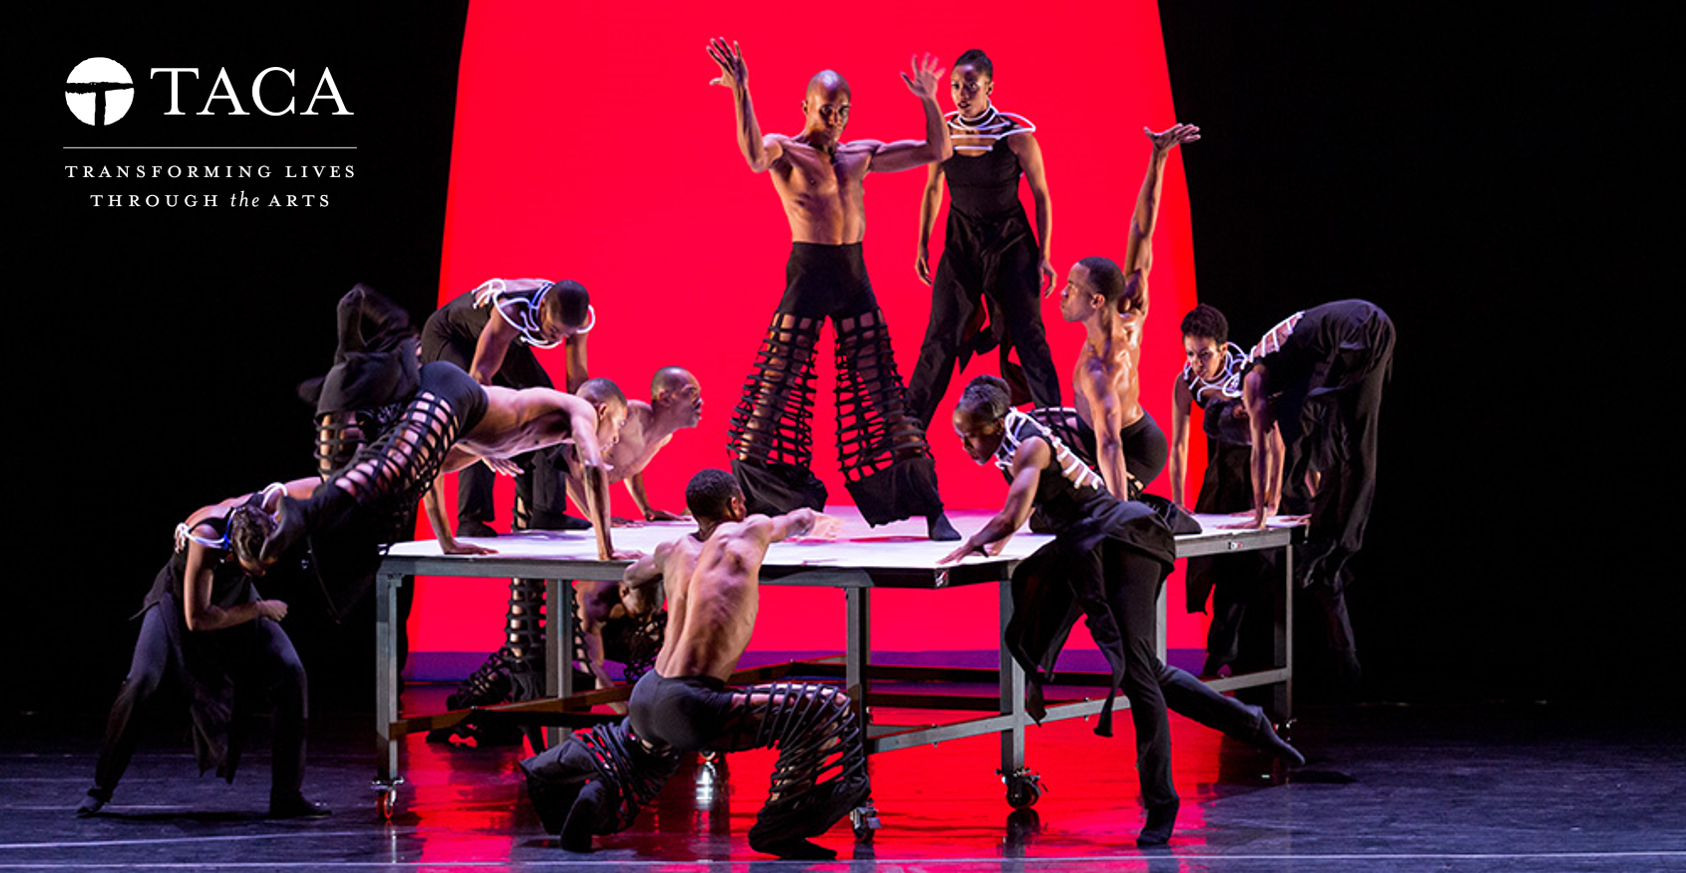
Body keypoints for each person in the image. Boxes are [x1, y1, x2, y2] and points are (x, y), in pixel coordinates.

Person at [940, 375, 1301, 846]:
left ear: (994, 423)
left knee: (1135, 673)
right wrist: (993, 547)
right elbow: (1020, 515)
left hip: (1125, 538)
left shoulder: (1030, 446)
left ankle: (1161, 802)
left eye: (970, 435)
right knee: (1145, 667)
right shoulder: (1011, 443)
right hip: (1091, 543)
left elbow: (1011, 516)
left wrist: (972, 543)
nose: (965, 446)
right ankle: (1250, 723)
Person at [520, 469, 870, 860]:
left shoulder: (672, 550)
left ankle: (593, 797)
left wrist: (648, 581)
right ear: (736, 504)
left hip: (648, 694)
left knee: (645, 758)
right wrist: (819, 520)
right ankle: (780, 827)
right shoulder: (748, 530)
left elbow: (632, 575)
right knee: (827, 708)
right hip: (691, 703)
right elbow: (797, 519)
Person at [706, 37, 959, 541]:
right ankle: (753, 502)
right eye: (827, 109)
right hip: (808, 273)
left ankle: (929, 506)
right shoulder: (787, 151)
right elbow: (754, 156)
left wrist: (930, 100)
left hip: (852, 276)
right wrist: (742, 90)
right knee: (774, 389)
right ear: (805, 106)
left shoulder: (860, 155)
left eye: (843, 110)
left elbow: (938, 150)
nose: (836, 119)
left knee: (883, 394)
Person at [77, 480, 329, 820]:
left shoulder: (267, 508)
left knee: (290, 671)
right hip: (179, 604)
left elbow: (319, 483)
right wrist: (260, 609)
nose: (264, 573)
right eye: (255, 568)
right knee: (142, 680)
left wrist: (358, 478)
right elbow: (197, 618)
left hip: (234, 597)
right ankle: (100, 788)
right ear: (233, 553)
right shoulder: (206, 538)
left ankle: (287, 796)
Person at [253, 360, 636, 574]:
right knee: (388, 472)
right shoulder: (580, 408)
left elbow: (431, 470)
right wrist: (606, 549)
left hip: (450, 401)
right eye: (618, 425)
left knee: (386, 477)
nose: (616, 438)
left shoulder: (506, 437)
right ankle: (348, 381)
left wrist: (446, 541)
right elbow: (592, 466)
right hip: (452, 389)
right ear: (602, 410)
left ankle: (282, 497)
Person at [1233, 299, 1395, 689]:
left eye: (1246, 419)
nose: (1253, 421)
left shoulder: (1253, 381)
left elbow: (1261, 450)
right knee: (1333, 432)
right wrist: (1285, 503)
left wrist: (1260, 515)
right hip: (1366, 330)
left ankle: (1335, 550)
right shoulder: (1286, 382)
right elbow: (1294, 446)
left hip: (1360, 330)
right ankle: (1328, 551)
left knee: (1355, 447)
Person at [1043, 123, 1201, 501]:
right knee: (1024, 430)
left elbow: (1111, 444)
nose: (1062, 293)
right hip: (1101, 434)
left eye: (1072, 288)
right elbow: (1142, 229)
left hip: (1133, 449)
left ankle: (1144, 510)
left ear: (1097, 301)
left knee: (1077, 512)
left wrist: (1118, 514)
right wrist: (1158, 157)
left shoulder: (1101, 369)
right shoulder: (1130, 310)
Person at [906, 48, 1060, 427]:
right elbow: (933, 189)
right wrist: (922, 242)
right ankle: (908, 431)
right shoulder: (944, 135)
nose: (962, 93)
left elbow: (1041, 195)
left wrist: (1044, 254)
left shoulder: (1016, 138)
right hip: (961, 243)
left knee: (1028, 335)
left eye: (971, 85)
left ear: (990, 86)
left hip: (1010, 242)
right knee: (940, 335)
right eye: (956, 85)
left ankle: (1057, 430)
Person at [421, 277, 595, 536]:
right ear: (542, 307)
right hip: (452, 337)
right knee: (484, 425)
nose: (558, 338)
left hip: (506, 341)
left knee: (555, 410)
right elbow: (479, 378)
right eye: (553, 330)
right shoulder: (512, 310)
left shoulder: (580, 319)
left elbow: (577, 378)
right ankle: (471, 519)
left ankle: (547, 512)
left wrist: (581, 425)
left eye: (565, 334)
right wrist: (484, 447)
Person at [1169, 303, 1277, 679]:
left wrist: (1269, 500)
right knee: (1217, 565)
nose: (1196, 362)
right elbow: (1178, 446)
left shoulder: (1247, 374)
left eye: (1204, 354)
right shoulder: (1186, 382)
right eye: (1189, 353)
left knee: (1258, 567)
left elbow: (1272, 439)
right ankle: (1222, 653)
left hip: (1261, 468)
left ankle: (1249, 657)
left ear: (1223, 349)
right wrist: (1179, 502)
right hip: (1223, 473)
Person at [567, 366, 704, 526]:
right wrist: (595, 517)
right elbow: (565, 462)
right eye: (691, 393)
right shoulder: (629, 416)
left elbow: (630, 465)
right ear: (665, 398)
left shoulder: (664, 438)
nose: (699, 402)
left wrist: (646, 509)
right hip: (549, 482)